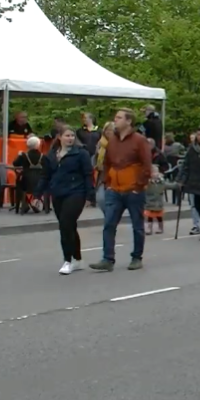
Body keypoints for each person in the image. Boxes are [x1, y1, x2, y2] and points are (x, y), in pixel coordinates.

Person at [91, 109, 152, 272]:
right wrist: (107, 182)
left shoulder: (140, 140)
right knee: (109, 224)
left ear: (129, 121)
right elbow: (107, 163)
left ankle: (136, 257)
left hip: (133, 189)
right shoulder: (112, 140)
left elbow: (147, 165)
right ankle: (107, 259)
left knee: (137, 225)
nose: (115, 120)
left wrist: (138, 186)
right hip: (114, 189)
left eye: (118, 118)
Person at [38, 127, 94, 275]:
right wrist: (37, 194)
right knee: (69, 227)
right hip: (57, 193)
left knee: (65, 224)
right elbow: (45, 176)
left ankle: (67, 260)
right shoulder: (51, 155)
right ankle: (78, 259)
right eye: (67, 135)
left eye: (72, 135)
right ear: (59, 137)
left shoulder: (81, 153)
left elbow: (88, 174)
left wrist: (90, 195)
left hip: (76, 192)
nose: (70, 138)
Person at [143, 164, 173, 236]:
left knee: (159, 216)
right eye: (153, 172)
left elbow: (168, 185)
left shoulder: (161, 182)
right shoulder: (148, 183)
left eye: (156, 172)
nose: (155, 174)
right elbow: (142, 187)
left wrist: (177, 185)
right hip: (150, 202)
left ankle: (160, 227)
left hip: (158, 203)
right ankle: (149, 228)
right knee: (150, 216)